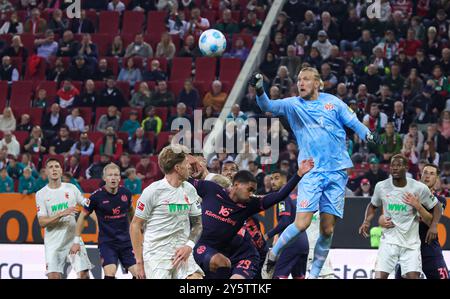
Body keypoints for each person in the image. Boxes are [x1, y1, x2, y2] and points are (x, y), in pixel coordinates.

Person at [250, 67, 379, 279]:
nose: (301, 83)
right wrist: (259, 90)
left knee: (327, 230)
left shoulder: (334, 103)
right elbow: (267, 106)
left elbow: (355, 124)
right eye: (299, 79)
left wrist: (369, 135)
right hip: (311, 171)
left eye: (306, 79)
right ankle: (272, 256)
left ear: (317, 83)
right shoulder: (292, 104)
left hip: (336, 172)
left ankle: (314, 276)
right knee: (302, 223)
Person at [188, 157, 314, 279]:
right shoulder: (211, 189)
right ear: (236, 185)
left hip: (238, 254)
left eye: (254, 190)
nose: (252, 194)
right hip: (203, 246)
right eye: (249, 189)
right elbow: (182, 180)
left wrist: (299, 174)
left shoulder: (250, 205)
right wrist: (186, 158)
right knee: (219, 264)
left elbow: (279, 195)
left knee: (224, 264)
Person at [358, 155, 441, 279]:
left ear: (406, 168)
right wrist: (366, 221)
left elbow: (437, 206)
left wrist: (434, 226)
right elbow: (373, 205)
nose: (395, 168)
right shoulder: (381, 186)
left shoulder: (418, 188)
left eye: (398, 165)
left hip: (410, 244)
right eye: (392, 165)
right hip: (389, 242)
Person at [129, 144, 204, 279]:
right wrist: (139, 262)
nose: (189, 167)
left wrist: (189, 246)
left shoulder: (190, 190)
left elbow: (198, 224)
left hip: (182, 252)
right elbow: (135, 225)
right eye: (186, 163)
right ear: (177, 168)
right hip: (156, 256)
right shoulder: (152, 191)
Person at [71, 163, 139, 279]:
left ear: (119, 178)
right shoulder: (96, 197)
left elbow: (131, 210)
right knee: (110, 273)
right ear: (104, 178)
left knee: (140, 274)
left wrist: (137, 228)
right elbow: (82, 216)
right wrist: (76, 240)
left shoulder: (126, 194)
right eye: (110, 175)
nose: (113, 178)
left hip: (126, 243)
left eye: (116, 175)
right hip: (107, 243)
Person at [384, 163, 449, 279]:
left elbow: (431, 222)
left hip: (430, 251)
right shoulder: (406, 196)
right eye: (425, 172)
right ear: (420, 175)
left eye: (432, 173)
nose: (428, 176)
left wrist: (417, 206)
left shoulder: (440, 200)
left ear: (437, 179)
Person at [35, 158, 93, 279]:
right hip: (53, 242)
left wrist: (99, 220)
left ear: (61, 171)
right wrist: (61, 214)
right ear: (46, 172)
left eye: (57, 166)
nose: (54, 169)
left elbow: (88, 206)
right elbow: (42, 222)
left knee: (84, 275)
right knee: (54, 277)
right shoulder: (41, 194)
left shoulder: (71, 188)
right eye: (50, 167)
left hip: (72, 238)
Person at [264, 170, 309, 279]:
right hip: (303, 243)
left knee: (278, 276)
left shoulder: (282, 196)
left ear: (285, 180)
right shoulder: (295, 196)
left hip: (290, 243)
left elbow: (285, 222)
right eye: (271, 179)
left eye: (276, 178)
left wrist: (267, 235)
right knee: (299, 277)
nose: (273, 182)